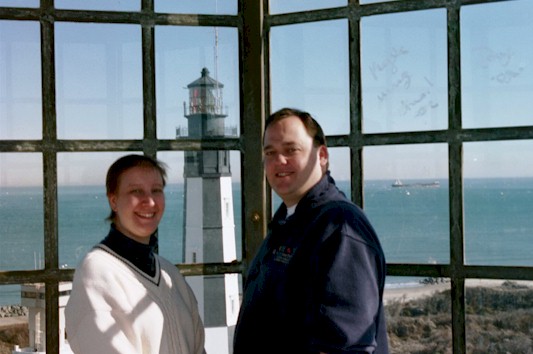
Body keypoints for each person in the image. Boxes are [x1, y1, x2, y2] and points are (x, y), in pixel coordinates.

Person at [233, 108, 389, 354]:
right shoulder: (289, 222)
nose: (279, 161)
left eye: (291, 150)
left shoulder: (339, 226)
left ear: (322, 156)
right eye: (270, 152)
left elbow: (345, 345)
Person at [65, 154, 206, 354]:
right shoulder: (97, 273)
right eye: (136, 191)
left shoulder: (170, 274)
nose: (149, 201)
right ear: (113, 200)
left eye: (156, 190)